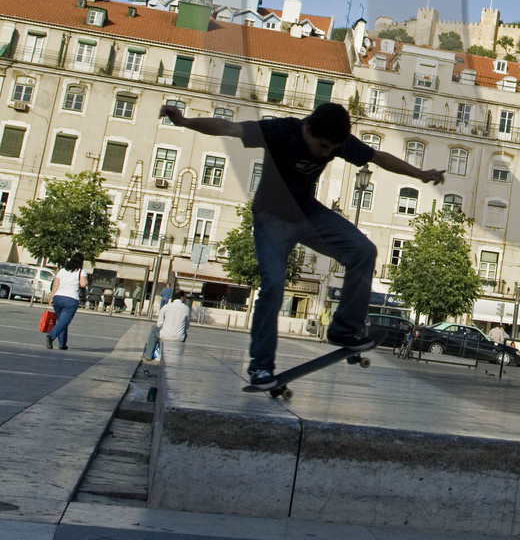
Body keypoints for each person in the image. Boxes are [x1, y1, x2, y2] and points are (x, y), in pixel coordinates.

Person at [162, 101, 444, 389]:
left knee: (363, 251)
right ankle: (261, 368)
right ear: (308, 128)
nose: (326, 153)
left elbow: (378, 157)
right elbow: (227, 127)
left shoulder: (336, 141)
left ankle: (344, 330)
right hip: (271, 218)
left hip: (307, 214)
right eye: (322, 146)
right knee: (273, 286)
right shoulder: (280, 130)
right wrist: (184, 122)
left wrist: (419, 174)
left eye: (331, 150)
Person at [47, 251, 87, 350]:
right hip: (71, 299)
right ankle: (51, 335)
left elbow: (55, 285)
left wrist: (52, 297)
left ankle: (62, 344)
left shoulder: (62, 271)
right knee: (64, 322)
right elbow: (83, 284)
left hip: (58, 297)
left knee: (61, 321)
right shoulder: (81, 271)